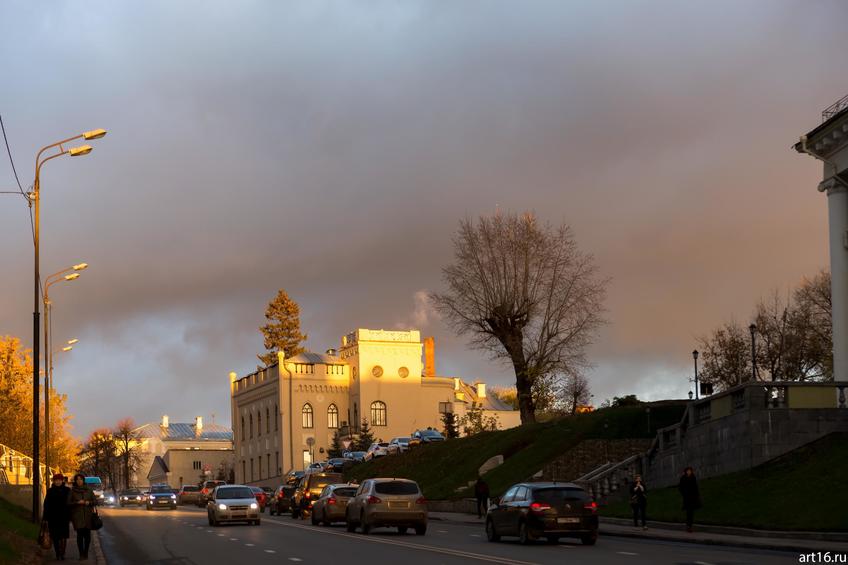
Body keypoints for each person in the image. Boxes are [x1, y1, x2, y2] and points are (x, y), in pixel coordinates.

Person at [68, 473, 96, 560]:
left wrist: (89, 502)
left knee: (87, 536)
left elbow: (95, 501)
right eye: (77, 479)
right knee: (80, 536)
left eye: (81, 479)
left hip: (88, 515)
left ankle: (86, 553)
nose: (79, 481)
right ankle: (81, 554)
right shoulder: (72, 491)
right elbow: (68, 503)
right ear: (75, 481)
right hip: (77, 516)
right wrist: (77, 503)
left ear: (83, 480)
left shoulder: (89, 490)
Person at [43, 473, 71, 560]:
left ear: (62, 481)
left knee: (63, 536)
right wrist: (45, 517)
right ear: (54, 481)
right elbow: (46, 504)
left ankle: (62, 553)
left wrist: (70, 515)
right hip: (53, 517)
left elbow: (70, 503)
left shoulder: (67, 490)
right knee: (55, 536)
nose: (58, 482)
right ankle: (57, 554)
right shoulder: (50, 491)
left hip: (64, 517)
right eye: (56, 480)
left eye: (59, 480)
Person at [678, 466, 701, 533]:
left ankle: (689, 526)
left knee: (691, 513)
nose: (689, 472)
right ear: (686, 471)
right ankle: (688, 526)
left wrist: (697, 495)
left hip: (692, 497)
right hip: (687, 498)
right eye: (688, 471)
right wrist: (684, 494)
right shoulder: (683, 478)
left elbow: (695, 487)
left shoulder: (693, 477)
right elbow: (680, 487)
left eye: (690, 471)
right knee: (688, 512)